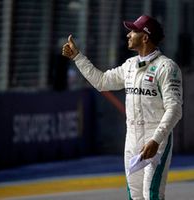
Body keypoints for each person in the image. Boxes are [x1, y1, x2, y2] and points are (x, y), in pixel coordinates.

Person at [62, 15, 182, 200]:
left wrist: (156, 140)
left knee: (151, 195)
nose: (128, 35)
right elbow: (102, 81)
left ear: (145, 37)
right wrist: (78, 58)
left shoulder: (166, 67)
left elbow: (174, 109)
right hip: (132, 139)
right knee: (135, 196)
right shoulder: (130, 65)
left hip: (156, 139)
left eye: (133, 31)